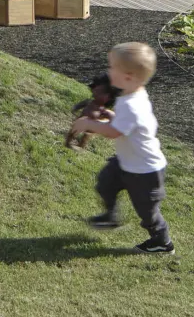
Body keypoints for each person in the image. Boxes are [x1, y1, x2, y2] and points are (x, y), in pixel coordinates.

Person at [72, 41, 174, 255]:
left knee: (147, 211)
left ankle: (162, 242)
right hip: (127, 163)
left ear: (127, 77)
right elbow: (125, 125)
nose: (108, 72)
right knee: (106, 183)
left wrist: (89, 124)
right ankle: (110, 216)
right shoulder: (132, 95)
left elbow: (114, 132)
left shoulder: (131, 104)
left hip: (146, 172)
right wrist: (111, 116)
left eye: (111, 68)